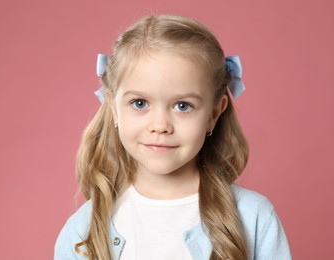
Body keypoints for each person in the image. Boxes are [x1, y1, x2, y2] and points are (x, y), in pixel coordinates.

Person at [54, 14, 292, 260]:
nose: (160, 126)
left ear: (214, 113)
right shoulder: (82, 233)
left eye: (182, 106)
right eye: (139, 103)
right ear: (114, 108)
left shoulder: (254, 218)